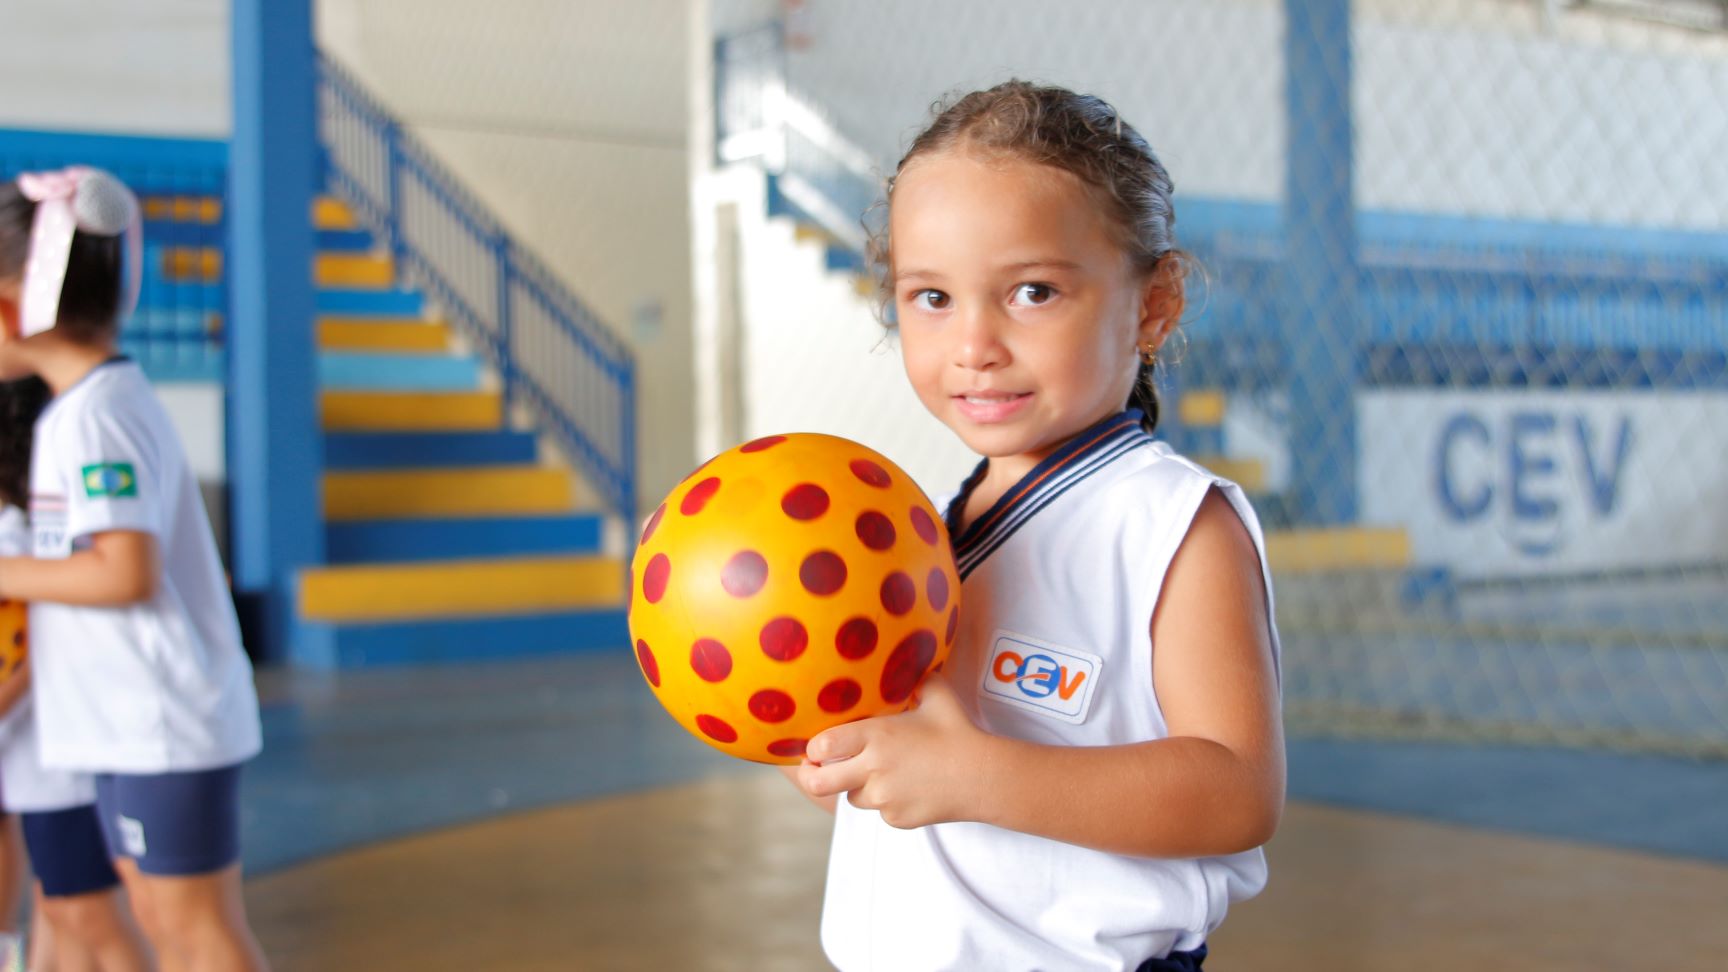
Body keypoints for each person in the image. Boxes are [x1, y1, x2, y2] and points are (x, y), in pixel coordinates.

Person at [786, 82, 1286, 970]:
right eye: (931, 298)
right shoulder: (921, 530)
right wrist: (840, 756)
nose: (974, 342)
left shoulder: (1173, 525)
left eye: (1031, 291)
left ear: (1152, 305)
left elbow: (1237, 791)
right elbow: (938, 812)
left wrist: (971, 775)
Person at [0, 167, 268, 971]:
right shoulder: (79, 412)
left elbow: (124, 572)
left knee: (196, 930)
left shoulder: (98, 417)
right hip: (125, 728)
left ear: (14, 306)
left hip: (163, 725)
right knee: (160, 916)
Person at [0, 372, 152, 972]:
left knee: (86, 912)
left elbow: (39, 648)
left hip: (55, 760)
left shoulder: (21, 539)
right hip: (37, 762)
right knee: (62, 909)